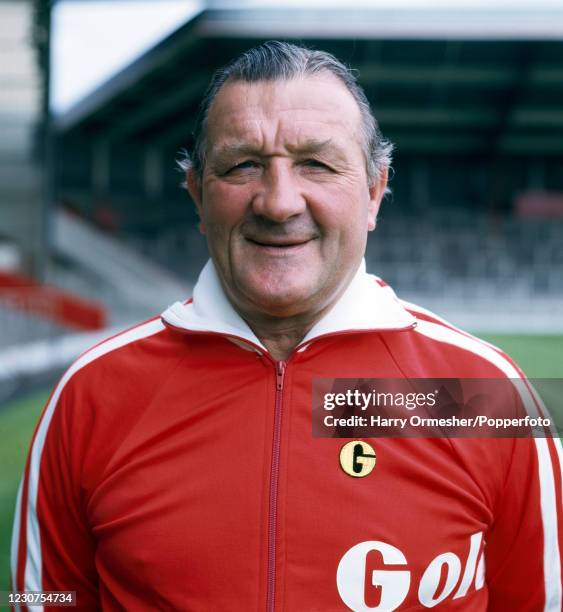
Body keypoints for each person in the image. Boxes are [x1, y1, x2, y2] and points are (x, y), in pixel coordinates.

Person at [11, 41, 562, 611]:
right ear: (197, 194)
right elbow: (38, 599)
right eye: (243, 164)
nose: (278, 203)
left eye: (316, 164)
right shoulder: (88, 397)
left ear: (374, 191)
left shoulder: (488, 396)